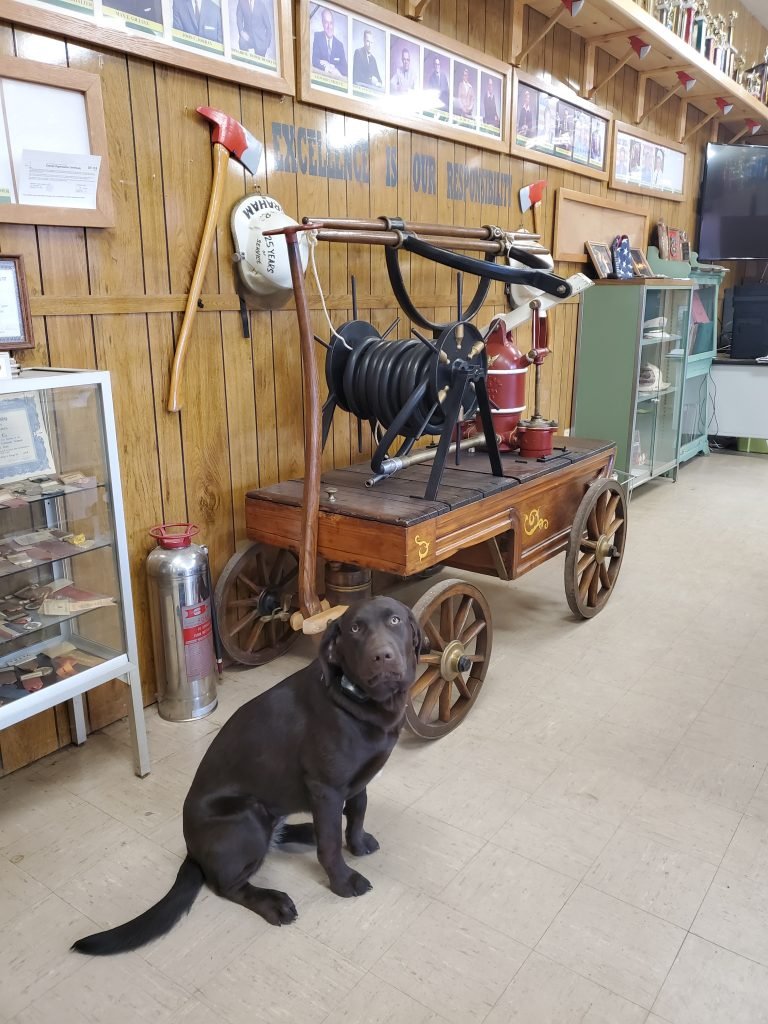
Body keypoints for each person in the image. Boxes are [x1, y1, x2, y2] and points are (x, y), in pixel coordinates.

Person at [311, 8, 347, 79]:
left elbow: (345, 69)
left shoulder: (339, 45)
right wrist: (325, 68)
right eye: (326, 23)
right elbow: (315, 60)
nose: (329, 27)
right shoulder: (317, 36)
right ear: (322, 23)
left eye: (331, 23)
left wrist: (331, 66)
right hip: (321, 78)